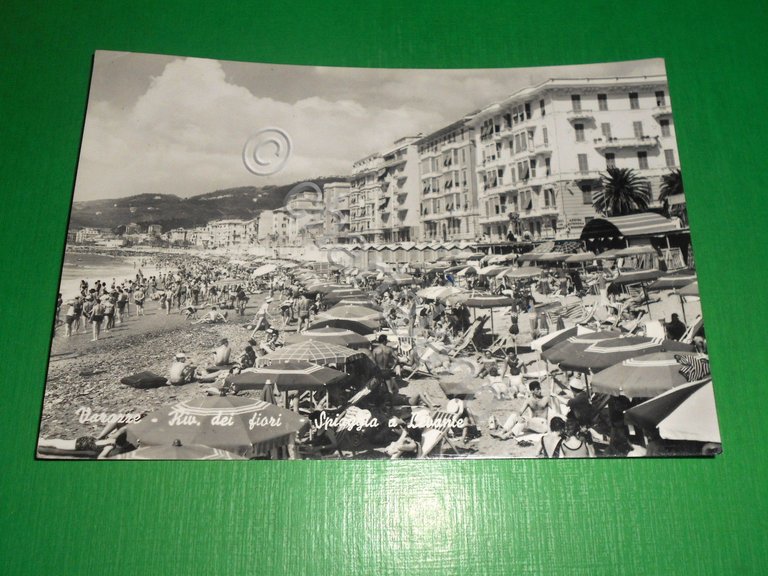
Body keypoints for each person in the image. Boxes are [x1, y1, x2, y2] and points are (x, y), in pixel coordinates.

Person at [371, 334, 398, 400]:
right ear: (384, 341)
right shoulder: (389, 349)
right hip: (386, 370)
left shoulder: (375, 350)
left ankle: (379, 405)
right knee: (389, 389)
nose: (387, 341)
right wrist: (393, 367)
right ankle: (391, 406)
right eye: (386, 340)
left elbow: (372, 362)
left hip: (378, 371)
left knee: (377, 389)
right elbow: (396, 359)